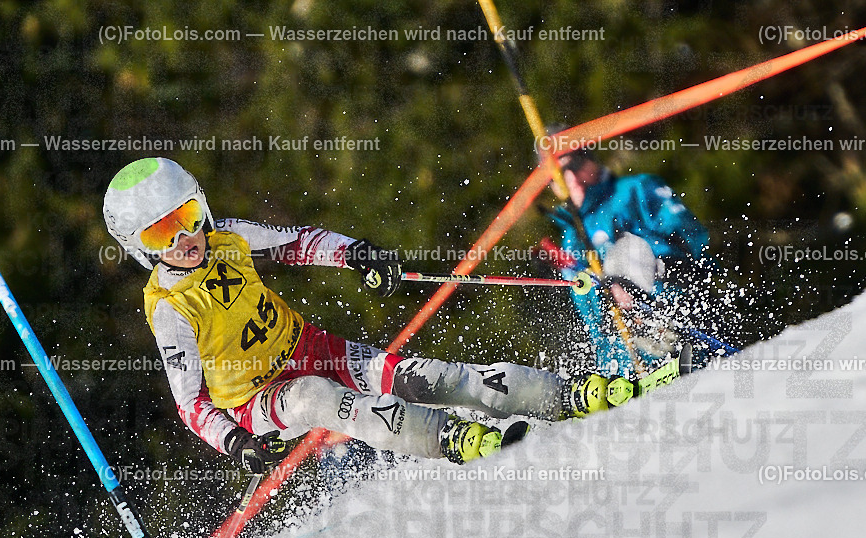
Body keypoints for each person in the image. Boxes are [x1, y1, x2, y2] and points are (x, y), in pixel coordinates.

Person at [102, 158, 638, 475]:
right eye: (161, 234)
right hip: (251, 400)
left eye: (189, 217)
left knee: (429, 377)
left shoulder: (228, 240)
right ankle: (447, 438)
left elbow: (299, 244)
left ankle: (564, 396)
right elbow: (191, 403)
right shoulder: (170, 308)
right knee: (319, 399)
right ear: (139, 247)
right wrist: (234, 442)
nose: (185, 239)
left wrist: (357, 253)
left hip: (306, 347)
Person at [536, 133, 715, 375]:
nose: (570, 180)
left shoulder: (636, 190)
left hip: (679, 338)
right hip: (623, 370)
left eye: (575, 165)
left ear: (591, 160)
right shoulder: (570, 236)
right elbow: (592, 316)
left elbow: (692, 243)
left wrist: (644, 280)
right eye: (556, 175)